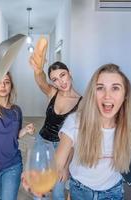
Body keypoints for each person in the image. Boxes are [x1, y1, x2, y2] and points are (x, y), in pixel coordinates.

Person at [55, 63, 131, 200]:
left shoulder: (129, 129)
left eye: (115, 88)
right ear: (92, 94)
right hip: (80, 191)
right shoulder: (75, 122)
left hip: (114, 192)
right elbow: (56, 163)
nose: (107, 96)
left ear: (125, 95)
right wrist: (38, 178)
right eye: (100, 88)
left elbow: (128, 163)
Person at [28, 37, 82, 200]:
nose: (60, 81)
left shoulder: (82, 103)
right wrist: (38, 69)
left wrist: (65, 167)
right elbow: (41, 81)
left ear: (69, 73)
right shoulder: (53, 92)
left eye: (63, 75)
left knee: (58, 192)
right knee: (39, 190)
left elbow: (74, 139)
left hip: (62, 148)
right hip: (41, 142)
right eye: (55, 79)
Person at [0, 72, 35, 200]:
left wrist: (25, 130)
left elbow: (15, 136)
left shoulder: (16, 110)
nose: (3, 85)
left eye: (7, 82)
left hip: (12, 165)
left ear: (11, 86)